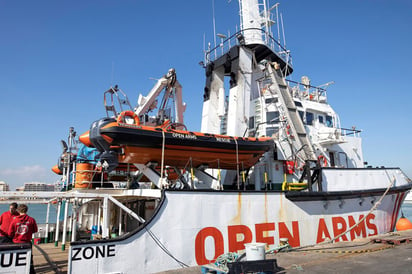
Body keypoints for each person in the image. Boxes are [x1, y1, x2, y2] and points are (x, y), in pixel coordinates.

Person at [9, 204, 38, 274]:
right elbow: (35, 230)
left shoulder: (15, 220)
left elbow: (10, 233)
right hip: (27, 242)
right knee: (29, 259)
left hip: (16, 242)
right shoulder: (31, 220)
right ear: (26, 210)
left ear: (18, 210)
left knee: (16, 259)